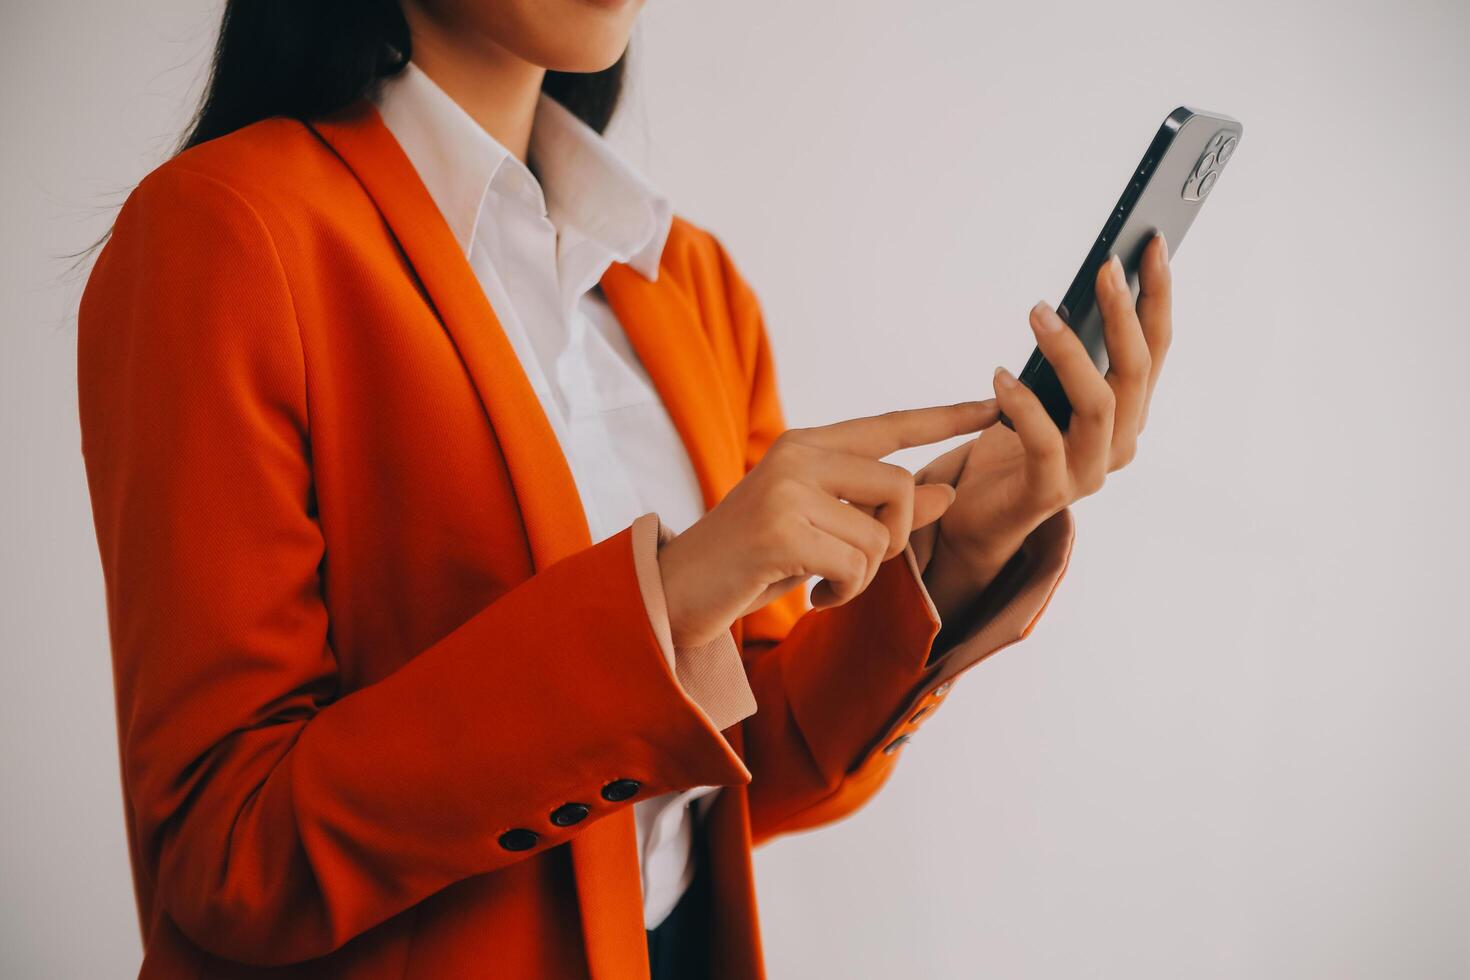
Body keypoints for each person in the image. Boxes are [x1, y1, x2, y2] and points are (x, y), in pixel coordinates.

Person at [75, 1, 1173, 977]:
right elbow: (225, 855)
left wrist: (964, 547)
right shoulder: (228, 232)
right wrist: (668, 595)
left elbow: (754, 764)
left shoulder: (688, 280)